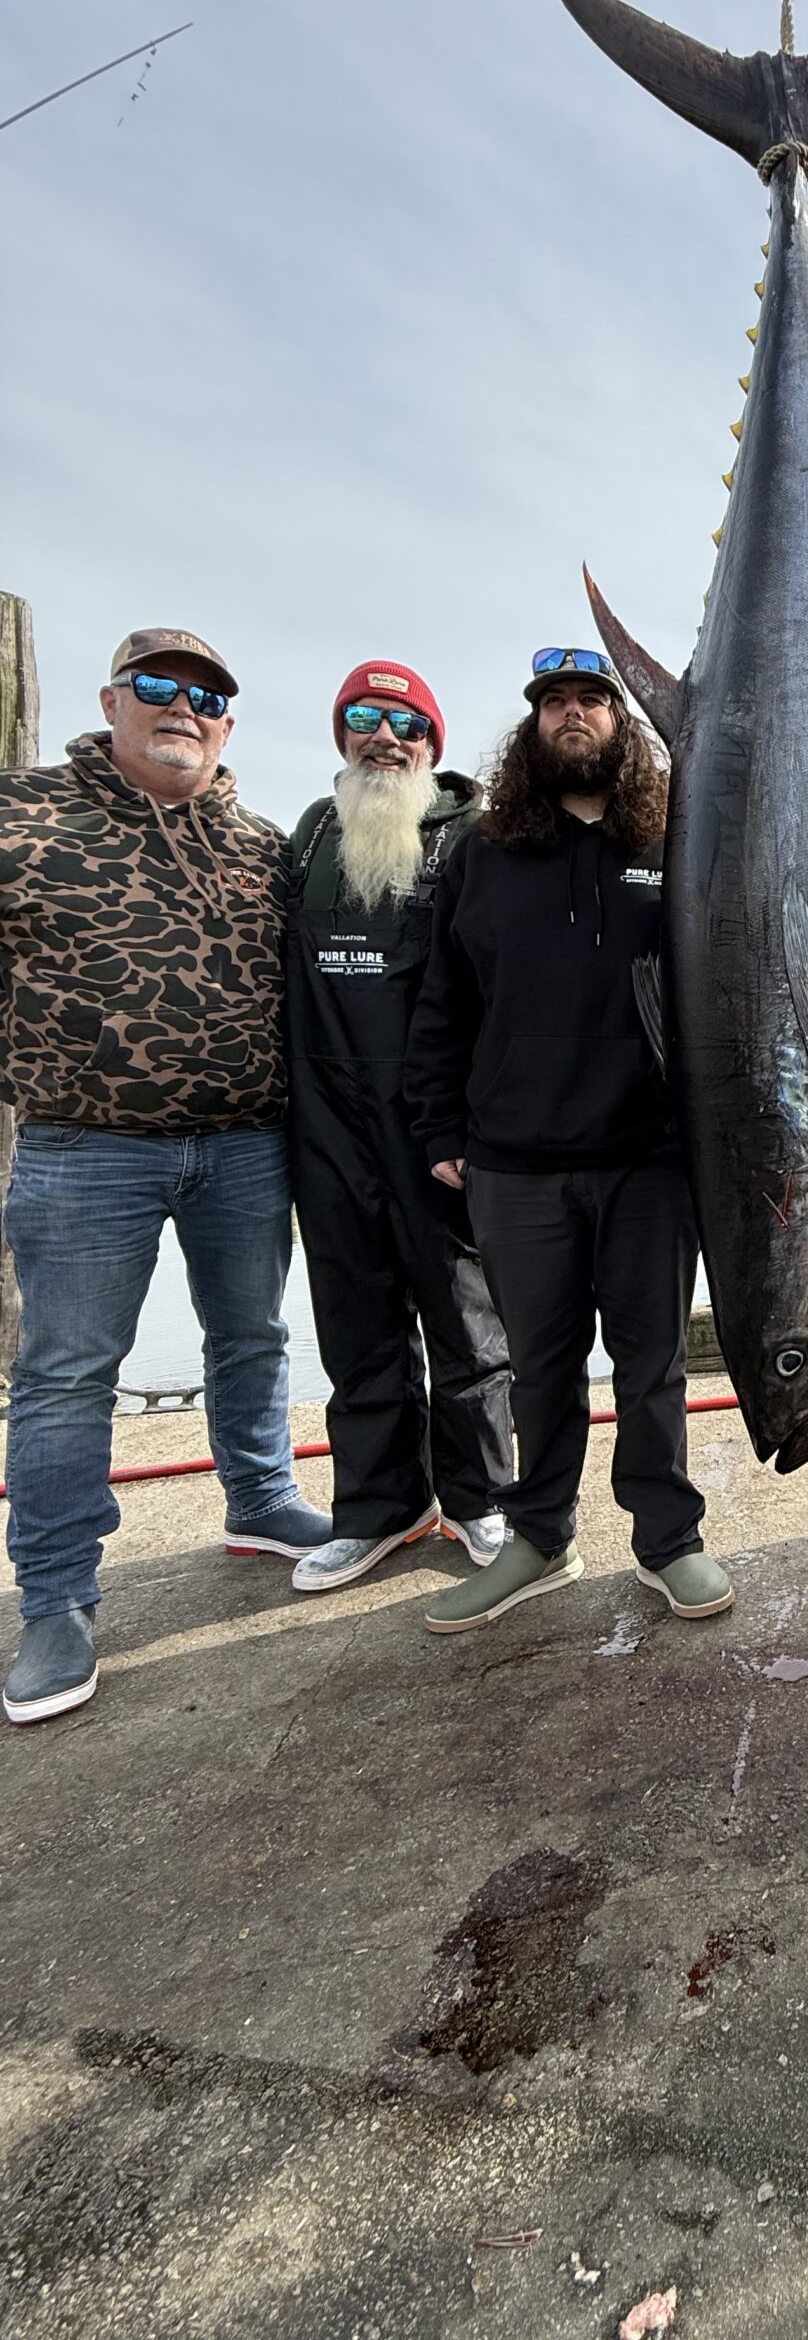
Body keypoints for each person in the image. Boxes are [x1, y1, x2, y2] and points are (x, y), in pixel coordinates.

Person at [0, 630, 329, 1726]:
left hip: (243, 1141)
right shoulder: (24, 812)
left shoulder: (262, 842)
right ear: (112, 700)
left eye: (205, 697)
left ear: (227, 725)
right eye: (158, 687)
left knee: (254, 1336)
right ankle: (56, 1599)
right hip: (85, 1146)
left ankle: (263, 1498)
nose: (182, 706)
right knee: (65, 1373)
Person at [404, 646, 730, 1631]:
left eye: (593, 698)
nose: (574, 715)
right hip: (515, 1164)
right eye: (555, 703)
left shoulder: (674, 835)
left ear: (623, 724)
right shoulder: (481, 850)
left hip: (650, 1160)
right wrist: (438, 1124)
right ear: (531, 727)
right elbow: (440, 999)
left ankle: (667, 1539)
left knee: (653, 1365)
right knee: (539, 1366)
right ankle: (539, 1534)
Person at [285, 661, 513, 1594]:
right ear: (343, 735)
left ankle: (481, 1497)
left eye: (406, 723)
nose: (387, 737)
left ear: (434, 744)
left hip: (432, 1126)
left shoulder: (475, 838)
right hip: (325, 1120)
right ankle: (380, 1508)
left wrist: (464, 1123)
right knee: (354, 1318)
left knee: (464, 1319)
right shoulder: (305, 838)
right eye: (366, 719)